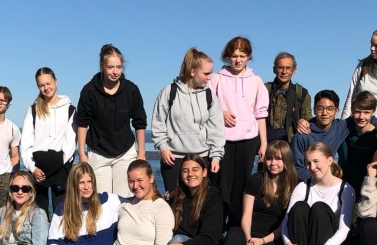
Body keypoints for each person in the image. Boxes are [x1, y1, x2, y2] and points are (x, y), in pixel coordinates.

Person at [283, 142, 355, 245]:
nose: (312, 167)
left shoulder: (346, 189)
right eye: (308, 163)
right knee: (299, 207)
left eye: (316, 161)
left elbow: (344, 229)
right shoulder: (303, 187)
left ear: (330, 160)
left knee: (319, 208)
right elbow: (286, 222)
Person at [75, 44, 147, 198]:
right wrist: (81, 153)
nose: (115, 72)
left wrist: (141, 153)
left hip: (125, 152)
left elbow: (139, 122)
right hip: (98, 153)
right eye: (110, 67)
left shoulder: (131, 90)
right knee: (102, 200)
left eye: (119, 67)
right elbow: (82, 123)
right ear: (102, 66)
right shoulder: (89, 90)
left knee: (125, 199)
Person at [211, 36, 269, 226]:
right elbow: (206, 106)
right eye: (234, 56)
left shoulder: (256, 81)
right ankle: (217, 229)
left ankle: (235, 230)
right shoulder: (216, 79)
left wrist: (263, 143)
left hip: (248, 140)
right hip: (222, 141)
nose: (238, 60)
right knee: (221, 186)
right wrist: (220, 113)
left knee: (241, 186)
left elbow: (260, 114)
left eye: (242, 56)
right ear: (227, 56)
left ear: (248, 57)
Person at [151, 47, 225, 194]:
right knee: (174, 202)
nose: (209, 77)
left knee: (200, 203)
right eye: (206, 73)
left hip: (201, 157)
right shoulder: (169, 92)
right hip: (172, 158)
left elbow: (216, 129)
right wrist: (163, 147)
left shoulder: (209, 96)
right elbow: (158, 122)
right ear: (192, 72)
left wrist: (216, 157)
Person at [21, 68, 77, 214]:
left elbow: (70, 143)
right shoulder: (33, 110)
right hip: (38, 170)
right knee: (39, 213)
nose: (46, 88)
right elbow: (26, 143)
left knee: (62, 213)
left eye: (48, 83)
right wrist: (32, 168)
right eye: (41, 85)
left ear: (56, 81)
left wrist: (58, 163)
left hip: (61, 168)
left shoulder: (70, 109)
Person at [292, 89, 348, 180]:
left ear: (336, 111)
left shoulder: (341, 127)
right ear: (314, 110)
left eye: (330, 109)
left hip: (329, 182)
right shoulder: (302, 136)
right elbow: (296, 169)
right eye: (320, 109)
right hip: (307, 183)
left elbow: (364, 116)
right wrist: (320, 181)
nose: (324, 113)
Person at [338, 91, 377, 194]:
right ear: (352, 110)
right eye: (357, 112)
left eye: (366, 112)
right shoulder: (342, 131)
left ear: (373, 112)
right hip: (345, 188)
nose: (361, 117)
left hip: (370, 188)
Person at [265, 52, 312, 144]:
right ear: (274, 69)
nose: (284, 71)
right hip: (267, 144)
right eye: (280, 67)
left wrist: (303, 122)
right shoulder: (263, 90)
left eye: (288, 68)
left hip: (292, 145)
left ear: (293, 71)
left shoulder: (302, 93)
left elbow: (308, 120)